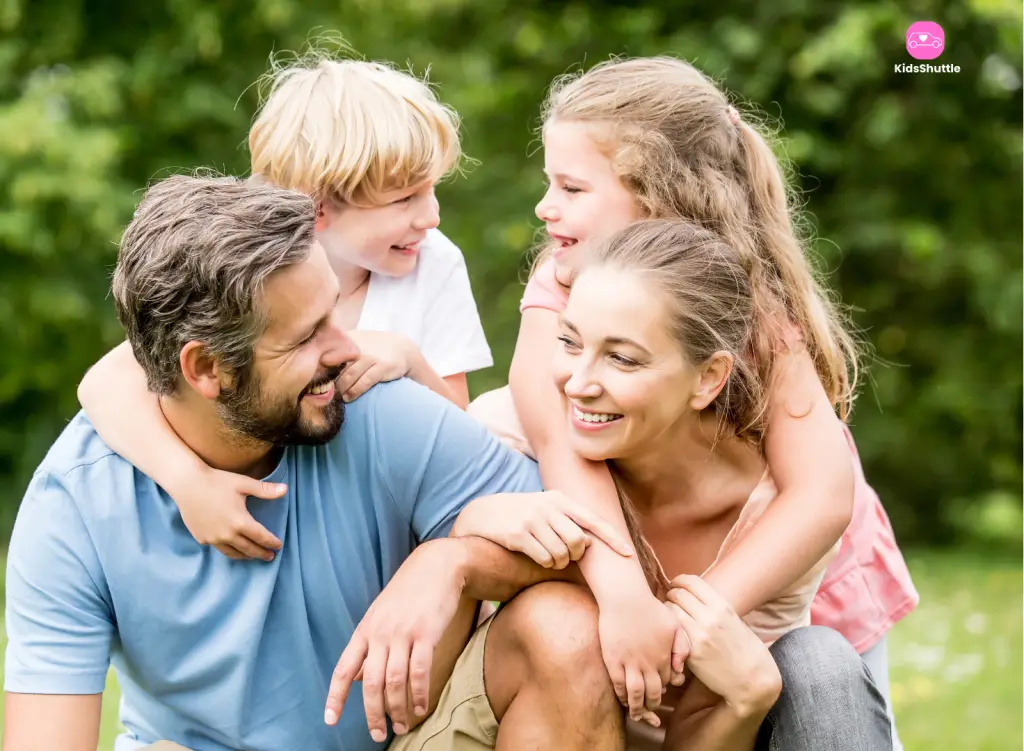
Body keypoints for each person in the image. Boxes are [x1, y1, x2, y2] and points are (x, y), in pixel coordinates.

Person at [2, 174, 636, 751]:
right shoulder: (77, 506)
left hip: (407, 744)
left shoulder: (375, 406)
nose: (346, 348)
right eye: (306, 336)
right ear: (206, 368)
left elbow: (590, 553)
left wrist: (455, 562)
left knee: (564, 630)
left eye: (335, 312)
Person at [469, 57, 916, 744]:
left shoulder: (754, 302)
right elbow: (556, 432)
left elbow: (823, 495)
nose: (545, 207)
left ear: (655, 196)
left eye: (572, 187)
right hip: (655, 547)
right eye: (548, 182)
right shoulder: (564, 279)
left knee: (828, 682)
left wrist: (688, 622)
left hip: (787, 552)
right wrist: (626, 596)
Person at [76, 54, 492, 564]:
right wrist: (189, 482)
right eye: (405, 199)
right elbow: (104, 384)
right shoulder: (246, 266)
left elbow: (460, 437)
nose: (431, 216)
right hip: (271, 525)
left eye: (432, 189)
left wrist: (410, 358)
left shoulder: (433, 263)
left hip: (383, 539)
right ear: (317, 208)